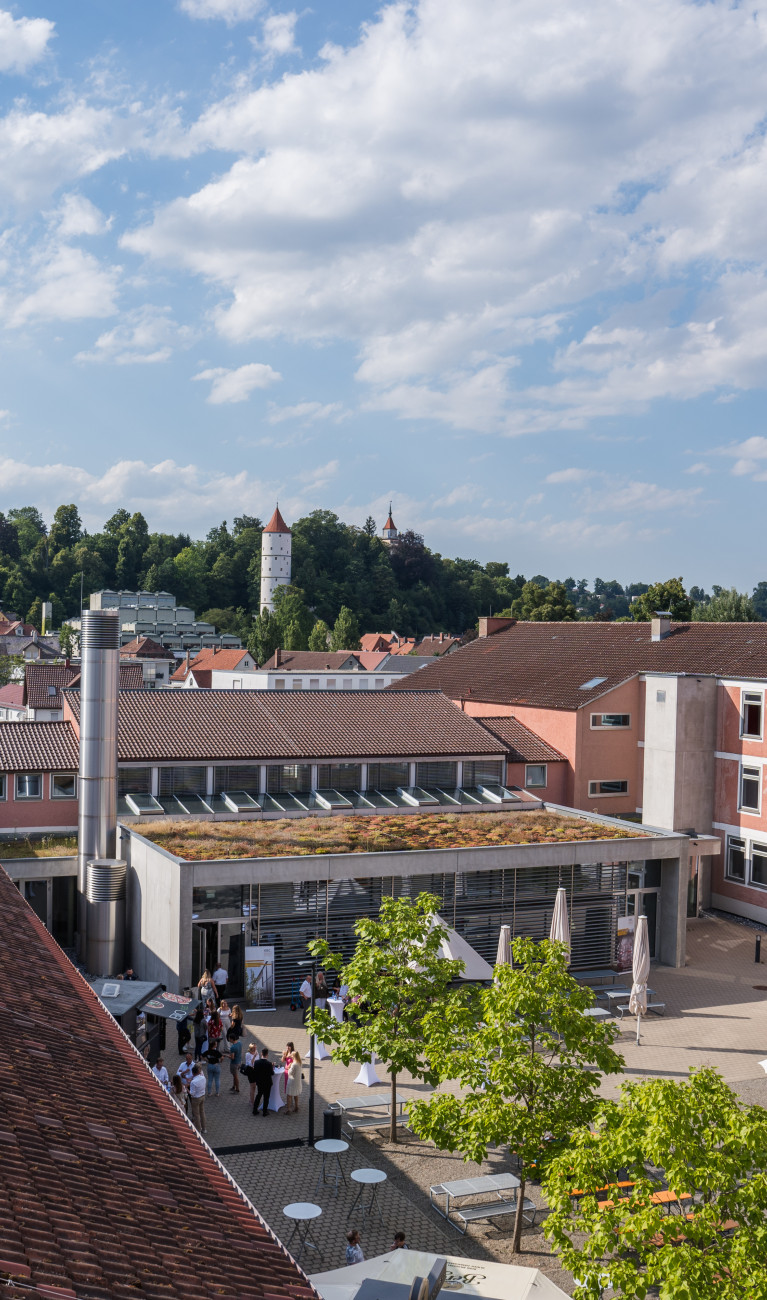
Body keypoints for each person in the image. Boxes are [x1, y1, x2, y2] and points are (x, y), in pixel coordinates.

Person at [251, 1047, 274, 1117]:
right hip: (267, 1083)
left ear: (261, 1054)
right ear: (267, 1054)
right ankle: (264, 1111)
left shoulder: (257, 1062)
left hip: (260, 1082)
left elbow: (255, 1072)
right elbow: (272, 1073)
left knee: (259, 1095)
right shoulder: (269, 1064)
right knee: (266, 1097)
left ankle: (255, 1110)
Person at [223, 1028, 242, 1094]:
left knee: (235, 1076)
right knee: (234, 1075)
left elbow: (232, 1057)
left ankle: (237, 1089)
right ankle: (234, 1086)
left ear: (231, 1039)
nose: (229, 1039)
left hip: (234, 1063)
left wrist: (226, 1055)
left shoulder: (233, 1047)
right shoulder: (239, 1043)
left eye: (229, 1038)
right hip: (239, 1061)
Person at [189, 1064, 207, 1133]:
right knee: (202, 1112)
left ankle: (198, 1130)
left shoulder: (193, 1082)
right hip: (202, 1096)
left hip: (196, 1099)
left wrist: (187, 1090)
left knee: (196, 1114)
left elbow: (192, 1093)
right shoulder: (203, 1078)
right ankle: (204, 1128)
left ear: (193, 1073)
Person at [245, 1041, 260, 1108]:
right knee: (252, 1086)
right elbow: (249, 1064)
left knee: (255, 1086)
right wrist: (254, 1057)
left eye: (256, 1047)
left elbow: (258, 1061)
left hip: (256, 1071)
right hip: (251, 1071)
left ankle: (252, 1100)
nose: (255, 1048)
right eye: (254, 1047)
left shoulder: (257, 1052)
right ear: (251, 1048)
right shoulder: (248, 1054)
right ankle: (251, 1101)